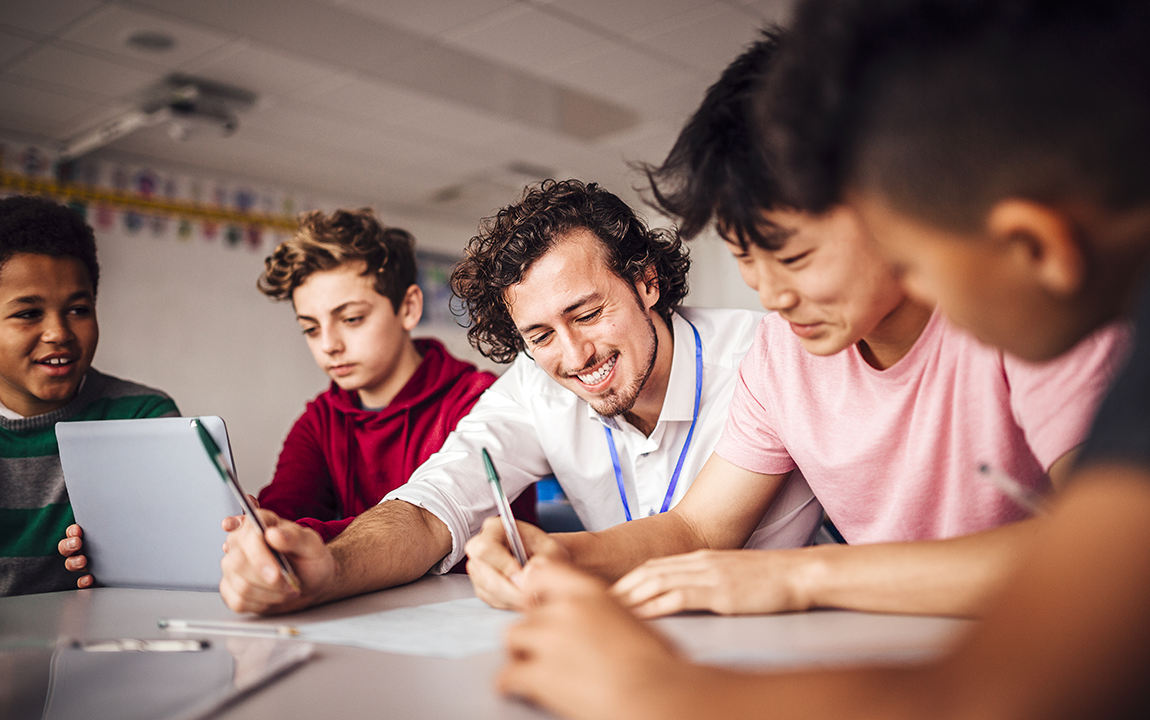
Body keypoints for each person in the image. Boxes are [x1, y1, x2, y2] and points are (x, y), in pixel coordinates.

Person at [496, 1, 1150, 718]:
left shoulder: (1031, 313)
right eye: (744, 259)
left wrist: (796, 585)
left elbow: (1059, 609)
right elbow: (697, 527)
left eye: (796, 254)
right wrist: (567, 556)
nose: (772, 296)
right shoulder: (785, 351)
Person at [217, 179, 823, 615]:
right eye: (539, 335)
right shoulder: (537, 383)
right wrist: (333, 567)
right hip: (624, 648)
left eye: (587, 314)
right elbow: (432, 506)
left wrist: (556, 554)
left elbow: (696, 532)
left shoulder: (763, 355)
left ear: (646, 281)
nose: (575, 355)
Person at [252, 208, 533, 545]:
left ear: (409, 307)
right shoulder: (319, 421)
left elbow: (487, 541)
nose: (329, 345)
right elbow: (285, 515)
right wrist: (264, 532)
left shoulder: (479, 402)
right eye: (310, 329)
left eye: (352, 319)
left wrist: (317, 543)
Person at [0, 195, 178, 597]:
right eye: (29, 313)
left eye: (78, 309)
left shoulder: (144, 419)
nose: (59, 332)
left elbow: (178, 555)